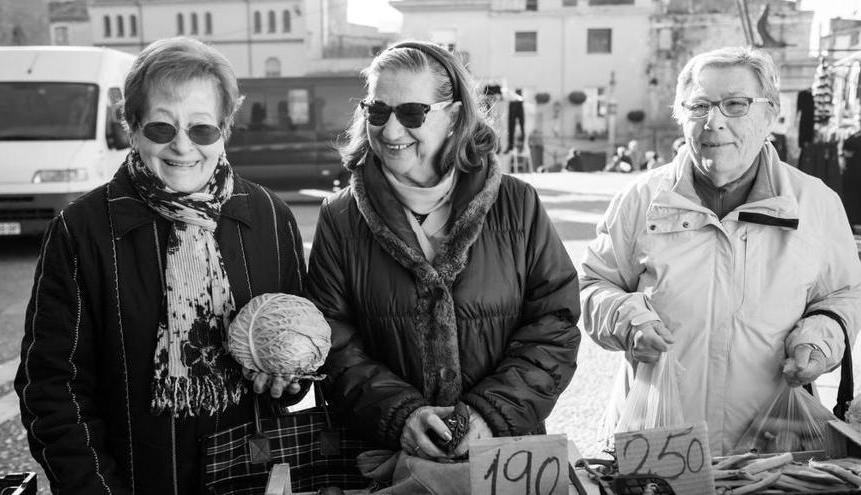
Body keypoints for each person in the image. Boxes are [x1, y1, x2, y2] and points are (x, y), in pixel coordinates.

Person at [14, 37, 307, 494]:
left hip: (255, 479)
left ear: (225, 130)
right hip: (137, 479)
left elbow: (298, 363)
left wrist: (287, 380)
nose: (183, 147)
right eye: (161, 129)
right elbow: (53, 387)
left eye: (202, 129)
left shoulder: (269, 217)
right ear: (132, 127)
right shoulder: (83, 230)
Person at [307, 40, 581, 466]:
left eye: (412, 113)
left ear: (453, 116)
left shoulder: (517, 203)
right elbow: (331, 341)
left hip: (503, 458)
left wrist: (492, 412)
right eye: (377, 112)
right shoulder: (340, 218)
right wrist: (401, 417)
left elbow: (555, 322)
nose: (391, 131)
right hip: (385, 460)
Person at [580, 46, 861, 455]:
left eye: (735, 105)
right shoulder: (640, 199)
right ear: (682, 116)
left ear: (770, 114)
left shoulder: (815, 203)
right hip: (656, 444)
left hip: (772, 444)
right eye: (699, 106)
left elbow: (844, 293)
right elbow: (593, 284)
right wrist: (629, 321)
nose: (714, 123)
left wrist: (818, 340)